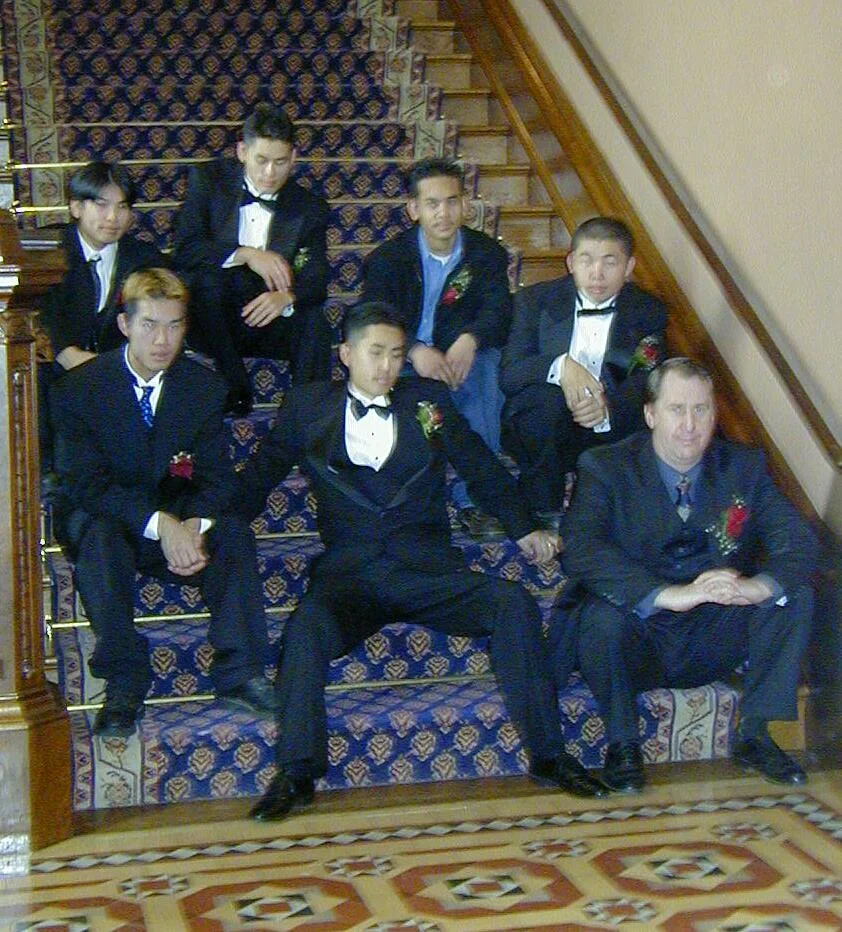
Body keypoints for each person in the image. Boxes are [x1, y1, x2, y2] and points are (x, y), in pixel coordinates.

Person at [237, 301, 608, 821]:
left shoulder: (426, 401)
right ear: (346, 354)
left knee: (514, 603)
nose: (387, 366)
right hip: (351, 578)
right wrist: (206, 526)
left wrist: (524, 527)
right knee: (303, 631)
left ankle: (550, 756)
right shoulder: (306, 407)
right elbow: (260, 476)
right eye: (375, 353)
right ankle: (296, 773)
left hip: (428, 571)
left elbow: (479, 465)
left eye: (396, 355)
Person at [561, 357, 815, 793]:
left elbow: (798, 541)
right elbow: (581, 550)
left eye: (701, 409)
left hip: (714, 628)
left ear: (715, 414)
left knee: (793, 596)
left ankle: (755, 734)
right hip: (640, 633)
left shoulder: (744, 467)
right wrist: (665, 594)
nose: (690, 425)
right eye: (677, 409)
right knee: (598, 616)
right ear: (650, 414)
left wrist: (755, 587)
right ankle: (623, 745)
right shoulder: (604, 467)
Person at [51, 269, 278, 737]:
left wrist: (193, 523)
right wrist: (160, 524)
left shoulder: (203, 388)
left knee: (233, 532)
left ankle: (241, 672)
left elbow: (217, 478)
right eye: (150, 325)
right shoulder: (79, 390)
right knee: (99, 535)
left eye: (174, 326)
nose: (162, 340)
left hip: (176, 516)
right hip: (108, 515)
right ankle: (124, 682)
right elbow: (86, 485)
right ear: (125, 325)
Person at [362, 158, 512, 539]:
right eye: (432, 204)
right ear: (414, 208)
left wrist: (471, 339)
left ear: (465, 204)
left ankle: (476, 501)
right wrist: (413, 349)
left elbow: (499, 311)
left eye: (451, 201)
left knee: (486, 371)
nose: (443, 213)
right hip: (404, 357)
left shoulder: (487, 255)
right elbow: (373, 317)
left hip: (462, 356)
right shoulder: (387, 260)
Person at [500, 217, 667, 521]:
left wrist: (607, 407)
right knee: (540, 406)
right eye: (586, 260)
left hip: (610, 426)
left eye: (610, 262)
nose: (597, 273)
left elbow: (647, 378)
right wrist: (561, 366)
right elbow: (510, 374)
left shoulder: (647, 311)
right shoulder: (534, 301)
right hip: (548, 425)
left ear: (629, 267)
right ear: (571, 263)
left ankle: (603, 507)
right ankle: (542, 507)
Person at [172, 103, 331, 412]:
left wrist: (287, 297)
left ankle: (306, 415)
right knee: (205, 284)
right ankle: (235, 387)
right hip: (214, 319)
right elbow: (186, 250)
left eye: (280, 162)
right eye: (261, 160)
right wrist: (246, 254)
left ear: (294, 158)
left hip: (268, 314)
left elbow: (318, 278)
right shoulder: (208, 181)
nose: (270, 173)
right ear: (242, 151)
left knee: (316, 323)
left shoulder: (309, 208)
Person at [38, 160, 164, 474]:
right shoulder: (44, 249)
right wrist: (64, 352)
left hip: (114, 369)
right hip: (52, 365)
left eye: (122, 207)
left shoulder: (144, 258)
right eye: (101, 204)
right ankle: (46, 480)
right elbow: (34, 311)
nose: (112, 217)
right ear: (76, 207)